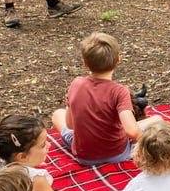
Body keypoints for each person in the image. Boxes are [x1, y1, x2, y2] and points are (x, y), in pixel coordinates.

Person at [51, 32, 159, 166]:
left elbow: (70, 125)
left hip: (83, 156)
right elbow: (131, 131)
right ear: (118, 59)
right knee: (157, 120)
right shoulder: (119, 91)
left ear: (85, 63)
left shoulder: (76, 83)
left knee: (57, 114)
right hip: (117, 154)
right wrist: (142, 142)